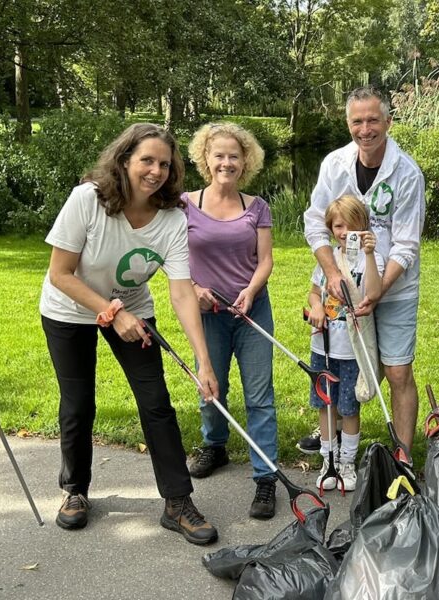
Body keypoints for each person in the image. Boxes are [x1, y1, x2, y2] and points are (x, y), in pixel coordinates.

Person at [40, 123, 221, 545]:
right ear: (124, 161)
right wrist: (109, 311)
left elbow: (181, 292)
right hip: (69, 309)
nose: (156, 171)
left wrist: (204, 362)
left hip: (133, 310)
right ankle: (75, 490)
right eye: (147, 160)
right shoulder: (88, 200)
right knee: (78, 403)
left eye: (164, 164)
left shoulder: (173, 219)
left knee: (156, 402)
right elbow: (60, 274)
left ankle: (177, 503)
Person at [301, 86, 425, 464]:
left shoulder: (407, 172)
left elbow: (406, 245)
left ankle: (402, 457)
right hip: (343, 288)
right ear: (348, 123)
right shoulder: (334, 164)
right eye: (357, 121)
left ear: (388, 121)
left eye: (373, 120)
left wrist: (379, 290)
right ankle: (333, 432)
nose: (365, 129)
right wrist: (330, 272)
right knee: (340, 362)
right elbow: (315, 222)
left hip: (395, 289)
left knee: (397, 371)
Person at [180, 122, 280, 520]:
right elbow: (172, 260)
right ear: (205, 158)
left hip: (252, 311)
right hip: (209, 314)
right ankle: (215, 445)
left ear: (246, 161)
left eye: (234, 156)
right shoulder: (185, 205)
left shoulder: (257, 207)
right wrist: (193, 289)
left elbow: (266, 260)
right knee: (211, 387)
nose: (226, 162)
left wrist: (251, 292)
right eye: (218, 155)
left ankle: (266, 476)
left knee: (260, 396)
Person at [306, 195, 384, 491]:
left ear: (363, 226)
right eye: (338, 226)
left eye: (352, 225)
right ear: (330, 228)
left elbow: (374, 293)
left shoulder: (369, 260)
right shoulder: (327, 261)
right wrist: (316, 307)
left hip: (353, 350)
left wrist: (370, 255)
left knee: (349, 408)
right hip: (324, 348)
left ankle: (347, 463)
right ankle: (329, 461)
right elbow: (314, 293)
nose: (345, 231)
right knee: (325, 406)